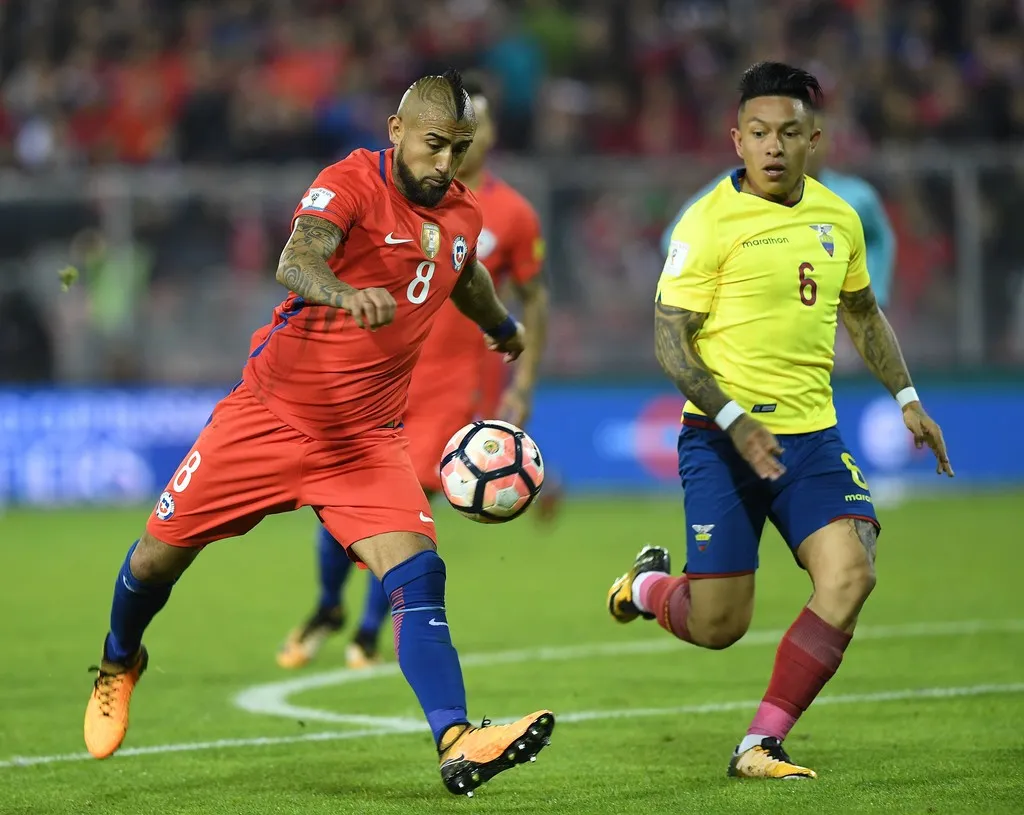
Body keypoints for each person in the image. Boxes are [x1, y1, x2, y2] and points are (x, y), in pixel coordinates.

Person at [83, 69, 555, 798]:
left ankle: (457, 740)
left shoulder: (462, 215)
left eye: (457, 149)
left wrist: (502, 327)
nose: (444, 162)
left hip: (365, 440)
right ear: (397, 132)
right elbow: (295, 259)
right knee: (153, 561)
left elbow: (464, 276)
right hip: (268, 419)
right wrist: (344, 290)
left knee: (420, 574)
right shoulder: (351, 183)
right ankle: (119, 662)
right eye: (433, 144)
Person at [607, 62, 952, 780]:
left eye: (788, 133)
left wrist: (907, 397)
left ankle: (759, 742)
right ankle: (645, 587)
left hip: (812, 436)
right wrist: (733, 419)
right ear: (736, 139)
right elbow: (670, 340)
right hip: (721, 440)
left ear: (813, 139)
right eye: (759, 132)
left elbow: (861, 312)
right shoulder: (707, 223)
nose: (772, 146)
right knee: (719, 625)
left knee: (851, 575)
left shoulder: (838, 216)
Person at [275, 73, 551, 672]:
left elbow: (527, 297)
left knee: (406, 506)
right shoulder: (380, 193)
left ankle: (370, 631)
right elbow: (305, 256)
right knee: (340, 504)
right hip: (376, 375)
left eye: (471, 130)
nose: (456, 149)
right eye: (443, 136)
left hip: (450, 383)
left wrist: (520, 373)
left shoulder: (508, 214)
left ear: (486, 133)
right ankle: (329, 606)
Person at [661, 113, 895, 307]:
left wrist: (876, 292)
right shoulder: (736, 185)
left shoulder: (856, 197)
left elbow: (881, 239)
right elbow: (675, 236)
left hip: (830, 315)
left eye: (815, 137)